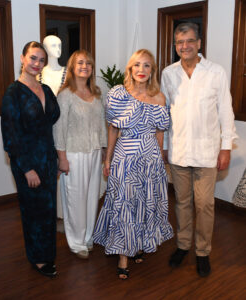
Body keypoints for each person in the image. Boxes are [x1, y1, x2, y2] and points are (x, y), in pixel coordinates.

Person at [161, 22, 237, 277]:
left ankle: (202, 251)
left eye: (189, 41)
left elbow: (226, 112)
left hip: (207, 153)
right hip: (179, 151)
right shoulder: (168, 73)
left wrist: (225, 148)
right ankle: (183, 245)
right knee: (182, 203)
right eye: (180, 42)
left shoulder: (216, 72)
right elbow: (164, 115)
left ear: (199, 43)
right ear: (175, 45)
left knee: (204, 204)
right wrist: (163, 147)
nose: (185, 46)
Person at [93, 49, 173, 279]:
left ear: (152, 70)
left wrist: (158, 158)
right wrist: (107, 159)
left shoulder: (159, 97)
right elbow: (113, 129)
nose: (141, 70)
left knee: (145, 203)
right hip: (125, 157)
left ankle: (138, 244)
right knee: (125, 204)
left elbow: (159, 132)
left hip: (150, 159)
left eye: (147, 65)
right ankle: (123, 255)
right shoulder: (119, 94)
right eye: (137, 65)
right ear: (130, 68)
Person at [1, 41, 60, 277]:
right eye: (33, 58)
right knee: (33, 211)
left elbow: (52, 119)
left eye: (41, 60)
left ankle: (47, 253)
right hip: (27, 162)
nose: (37, 64)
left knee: (48, 210)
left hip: (48, 157)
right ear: (23, 58)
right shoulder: (12, 93)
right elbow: (10, 137)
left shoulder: (45, 89)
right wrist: (27, 169)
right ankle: (38, 258)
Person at [53, 50, 107, 259]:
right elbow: (59, 129)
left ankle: (88, 237)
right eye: (80, 63)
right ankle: (76, 243)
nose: (85, 66)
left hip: (94, 153)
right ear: (72, 67)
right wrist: (62, 158)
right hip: (73, 154)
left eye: (88, 63)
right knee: (75, 200)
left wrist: (103, 149)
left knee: (91, 197)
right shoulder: (65, 95)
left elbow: (102, 125)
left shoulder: (96, 93)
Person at [39, 35, 67, 219]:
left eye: (60, 44)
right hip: (44, 130)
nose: (57, 48)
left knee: (64, 171)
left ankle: (65, 213)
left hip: (66, 127)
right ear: (45, 48)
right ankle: (51, 212)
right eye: (52, 45)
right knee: (49, 169)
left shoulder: (68, 72)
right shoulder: (38, 74)